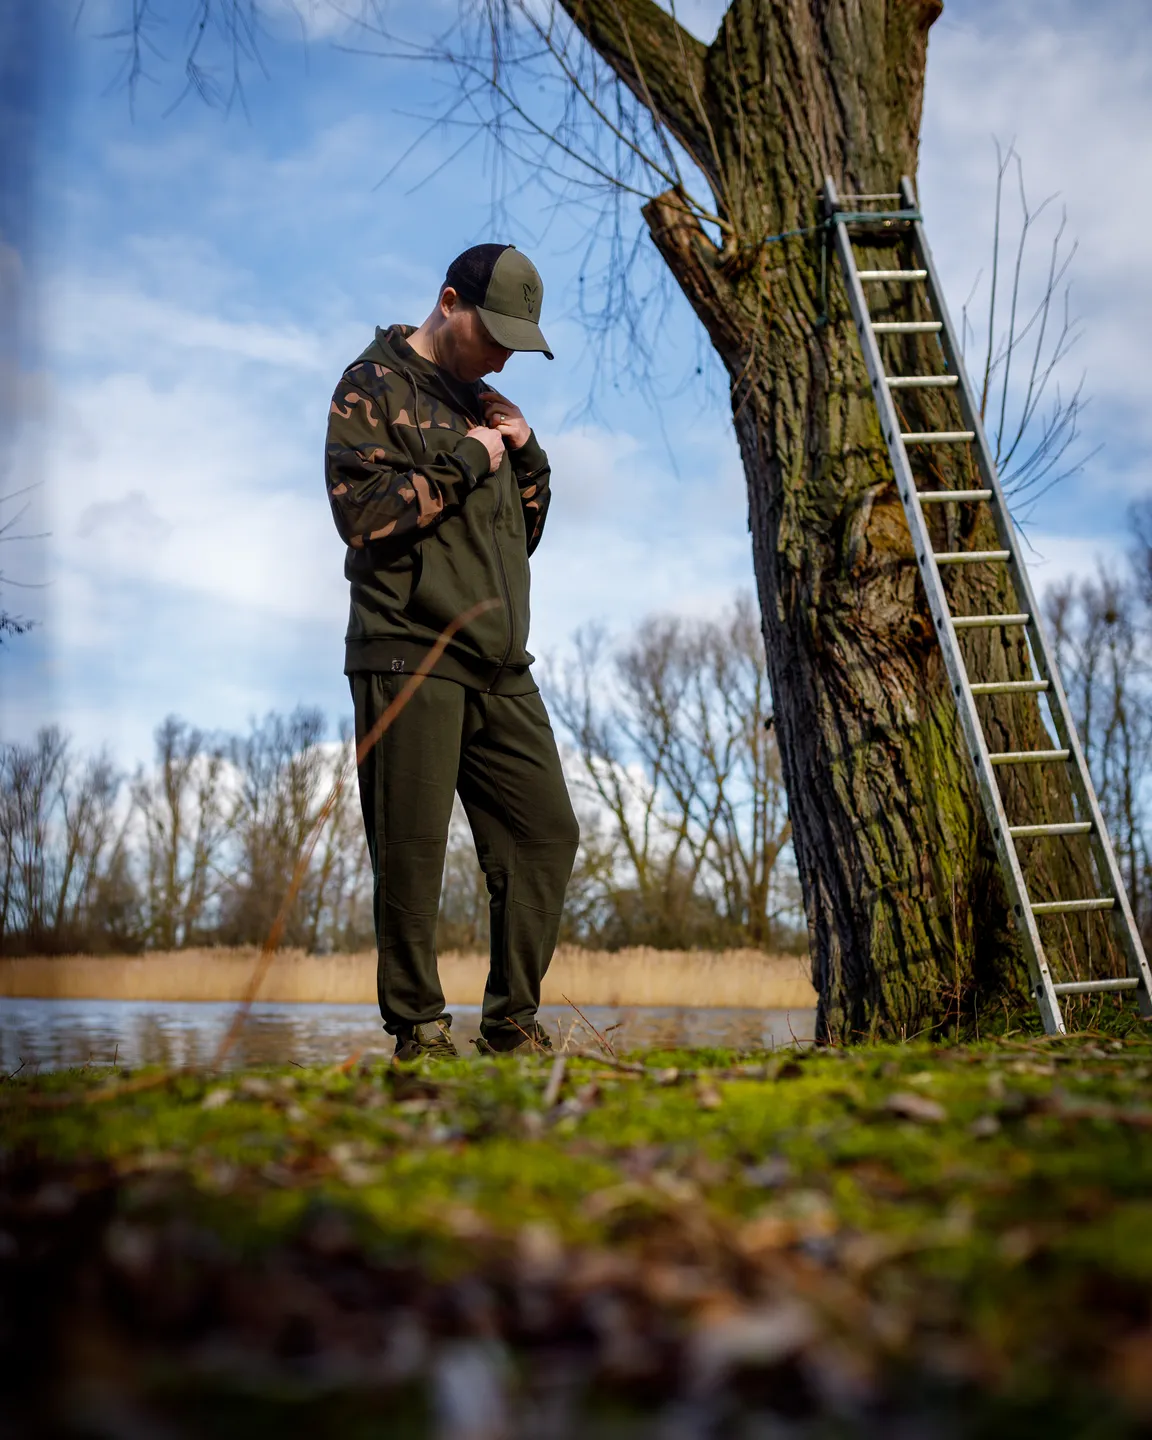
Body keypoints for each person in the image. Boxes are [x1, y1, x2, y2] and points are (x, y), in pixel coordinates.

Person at [324, 243, 579, 1061]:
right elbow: (364, 516)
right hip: (410, 648)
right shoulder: (374, 385)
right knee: (412, 847)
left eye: (518, 340)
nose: (505, 353)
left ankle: (510, 1024)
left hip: (500, 665)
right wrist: (471, 456)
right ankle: (419, 1030)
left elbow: (518, 537)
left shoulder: (486, 400)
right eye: (495, 332)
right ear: (447, 301)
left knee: (546, 832)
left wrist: (525, 449)